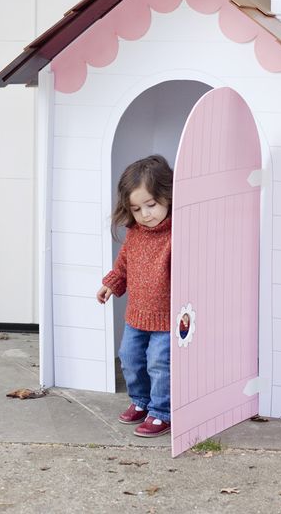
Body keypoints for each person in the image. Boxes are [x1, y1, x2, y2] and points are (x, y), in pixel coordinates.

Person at [96, 155, 173, 437]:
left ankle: (161, 411)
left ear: (167, 195)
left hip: (166, 316)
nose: (145, 214)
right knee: (129, 357)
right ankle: (141, 401)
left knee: (158, 362)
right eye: (137, 208)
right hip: (137, 314)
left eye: (151, 205)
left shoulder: (177, 234)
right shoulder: (136, 232)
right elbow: (124, 262)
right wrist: (112, 283)